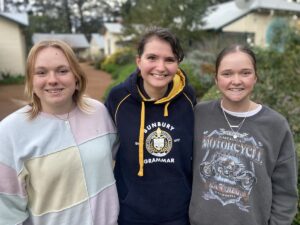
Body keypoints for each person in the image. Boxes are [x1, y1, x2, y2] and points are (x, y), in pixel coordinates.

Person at [0, 40, 119, 225]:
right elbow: (6, 210)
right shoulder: (9, 132)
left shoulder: (98, 112)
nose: (52, 79)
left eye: (62, 70)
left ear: (77, 78)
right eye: (41, 72)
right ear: (31, 80)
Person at [189, 44, 298, 225]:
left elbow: (285, 193)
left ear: (256, 77)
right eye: (227, 73)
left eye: (245, 73)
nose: (236, 80)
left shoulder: (275, 125)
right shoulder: (199, 114)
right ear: (216, 79)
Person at [105, 27, 196, 225]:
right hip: (131, 213)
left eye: (169, 59)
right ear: (139, 61)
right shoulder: (119, 98)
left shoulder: (187, 97)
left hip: (178, 213)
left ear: (178, 63)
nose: (161, 67)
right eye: (152, 58)